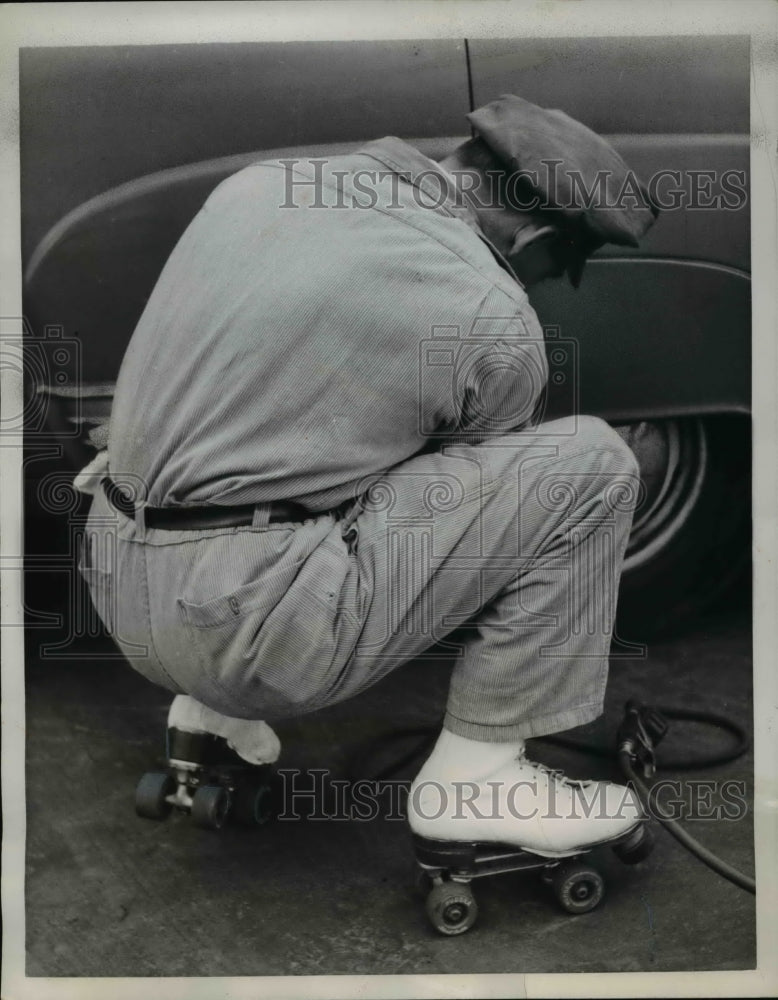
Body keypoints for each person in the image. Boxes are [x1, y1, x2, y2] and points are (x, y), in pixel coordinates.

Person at [79, 94, 659, 857]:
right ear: (538, 236)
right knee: (588, 467)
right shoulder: (493, 316)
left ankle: (207, 720)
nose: (545, 286)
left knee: (268, 438)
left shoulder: (258, 187)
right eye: (559, 269)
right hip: (244, 640)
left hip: (112, 577)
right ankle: (478, 781)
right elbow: (464, 515)